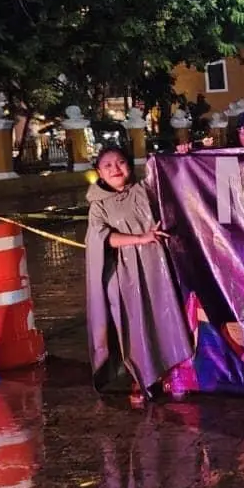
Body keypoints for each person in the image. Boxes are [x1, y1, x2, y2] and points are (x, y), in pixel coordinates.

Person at [85, 146, 194, 406]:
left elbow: (176, 178)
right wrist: (141, 238)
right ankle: (142, 377)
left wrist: (183, 154)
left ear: (130, 165)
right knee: (134, 323)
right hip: (124, 272)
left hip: (158, 266)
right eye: (108, 165)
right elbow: (103, 238)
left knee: (167, 313)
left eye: (120, 162)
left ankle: (176, 369)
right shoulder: (98, 204)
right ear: (99, 172)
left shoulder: (146, 189)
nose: (115, 169)